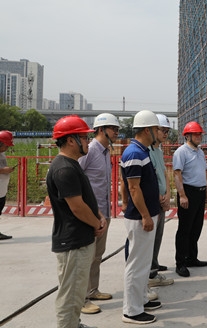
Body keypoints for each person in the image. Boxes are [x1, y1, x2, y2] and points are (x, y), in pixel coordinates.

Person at [46, 115, 106, 328]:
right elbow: (77, 207)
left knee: (77, 291)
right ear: (71, 140)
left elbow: (84, 198)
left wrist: (98, 215)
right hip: (73, 242)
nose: (88, 142)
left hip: (79, 239)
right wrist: (96, 224)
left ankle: (74, 324)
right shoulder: (64, 169)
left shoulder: (72, 165)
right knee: (70, 295)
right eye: (84, 137)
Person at [120, 110, 162, 324]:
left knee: (143, 264)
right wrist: (146, 216)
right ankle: (131, 311)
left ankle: (141, 300)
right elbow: (133, 188)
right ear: (147, 130)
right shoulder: (134, 153)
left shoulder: (141, 151)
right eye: (156, 129)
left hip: (145, 215)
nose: (158, 132)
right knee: (136, 265)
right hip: (139, 218)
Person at [78, 113, 120, 315]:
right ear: (101, 130)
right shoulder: (90, 150)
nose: (117, 132)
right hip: (90, 212)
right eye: (114, 129)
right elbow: (76, 177)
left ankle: (92, 290)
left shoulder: (105, 151)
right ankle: (81, 299)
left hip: (104, 210)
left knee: (97, 255)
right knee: (86, 256)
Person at [173, 121, 207, 277]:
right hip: (188, 192)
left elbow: (204, 172)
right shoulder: (181, 152)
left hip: (200, 192)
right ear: (187, 136)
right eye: (196, 134)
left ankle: (192, 258)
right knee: (184, 229)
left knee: (196, 227)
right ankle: (180, 263)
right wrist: (182, 195)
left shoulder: (200, 152)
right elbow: (177, 173)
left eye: (200, 134)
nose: (199, 137)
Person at [147, 114, 175, 288]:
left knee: (158, 237)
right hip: (152, 201)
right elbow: (148, 179)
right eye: (162, 130)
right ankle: (150, 274)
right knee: (149, 239)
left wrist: (168, 195)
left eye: (167, 131)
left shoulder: (158, 151)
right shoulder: (146, 151)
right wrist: (159, 197)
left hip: (161, 201)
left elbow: (164, 174)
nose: (165, 134)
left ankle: (154, 268)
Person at [0, 130, 16, 240]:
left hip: (2, 188)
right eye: (6, 145)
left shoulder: (2, 154)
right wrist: (3, 170)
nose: (7, 148)